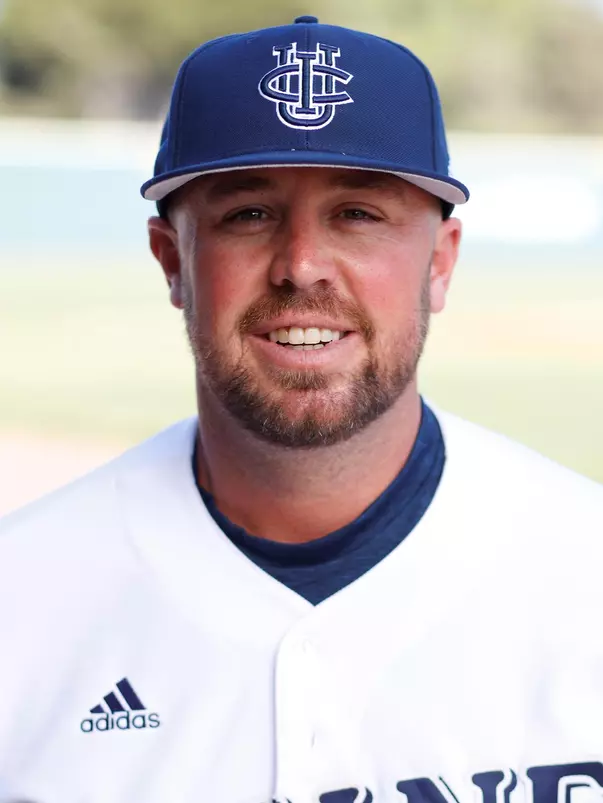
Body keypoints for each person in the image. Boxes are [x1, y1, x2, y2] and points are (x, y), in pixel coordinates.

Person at [0, 14, 602, 803]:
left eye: (358, 214)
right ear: (171, 259)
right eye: (248, 214)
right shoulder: (20, 602)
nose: (302, 265)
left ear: (439, 262)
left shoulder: (585, 572)